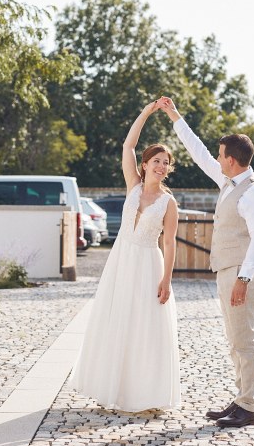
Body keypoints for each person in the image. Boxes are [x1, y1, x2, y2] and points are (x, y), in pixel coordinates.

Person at [156, 96, 254, 429]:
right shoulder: (229, 181)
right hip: (229, 270)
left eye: (221, 155)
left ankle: (248, 407)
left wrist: (243, 279)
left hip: (242, 272)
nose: (217, 159)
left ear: (231, 160)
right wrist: (175, 116)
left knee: (244, 339)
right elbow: (199, 153)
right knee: (235, 339)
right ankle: (241, 400)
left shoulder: (253, 192)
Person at [68, 101, 181, 412]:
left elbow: (169, 243)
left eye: (166, 163)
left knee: (145, 327)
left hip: (148, 264)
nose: (161, 166)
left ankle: (146, 395)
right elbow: (128, 145)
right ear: (144, 164)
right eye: (156, 161)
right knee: (116, 321)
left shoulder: (169, 203)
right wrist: (146, 112)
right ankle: (112, 387)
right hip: (121, 262)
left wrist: (166, 279)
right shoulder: (133, 186)